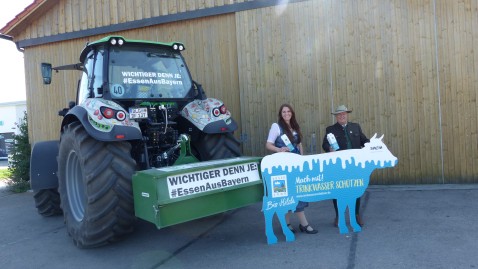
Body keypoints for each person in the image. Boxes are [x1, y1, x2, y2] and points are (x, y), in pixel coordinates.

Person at [266, 104, 318, 234]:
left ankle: (290, 224)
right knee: (288, 195)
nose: (286, 113)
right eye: (283, 112)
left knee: (297, 193)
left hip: (296, 166)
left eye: (288, 111)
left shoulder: (295, 127)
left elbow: (299, 144)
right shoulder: (276, 127)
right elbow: (268, 144)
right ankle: (302, 224)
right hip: (283, 167)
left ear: (292, 113)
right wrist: (279, 149)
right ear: (280, 114)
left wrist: (302, 160)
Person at [322, 104, 369, 227]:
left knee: (356, 189)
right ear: (336, 116)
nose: (342, 116)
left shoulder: (356, 127)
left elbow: (364, 141)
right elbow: (325, 145)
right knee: (337, 191)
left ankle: (356, 215)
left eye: (344, 114)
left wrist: (372, 145)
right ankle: (339, 215)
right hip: (338, 166)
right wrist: (329, 148)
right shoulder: (330, 129)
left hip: (354, 165)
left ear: (347, 115)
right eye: (339, 114)